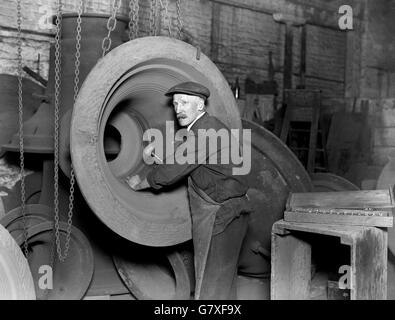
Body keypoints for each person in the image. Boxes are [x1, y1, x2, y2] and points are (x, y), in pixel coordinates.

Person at [126, 81, 251, 300]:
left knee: (211, 286)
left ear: (200, 106)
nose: (179, 109)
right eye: (175, 104)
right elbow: (186, 153)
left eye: (185, 102)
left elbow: (173, 169)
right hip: (230, 211)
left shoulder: (205, 131)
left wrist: (141, 182)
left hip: (220, 215)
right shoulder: (206, 127)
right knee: (223, 283)